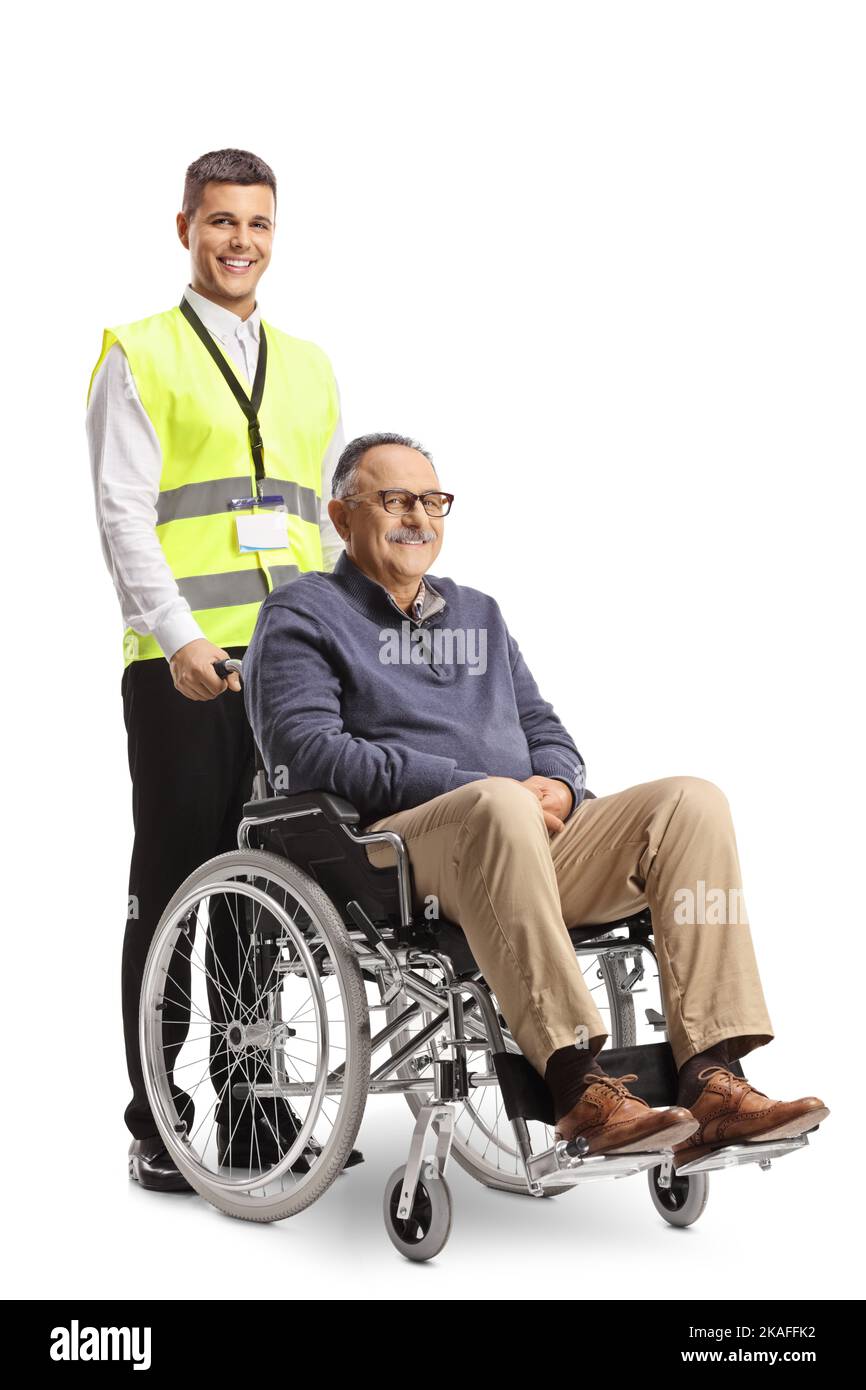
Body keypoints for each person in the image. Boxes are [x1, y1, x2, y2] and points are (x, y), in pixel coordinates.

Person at [242, 431, 829, 1167]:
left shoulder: (478, 613)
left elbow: (544, 727)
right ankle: (579, 1086)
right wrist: (474, 786)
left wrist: (557, 783)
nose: (417, 517)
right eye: (394, 500)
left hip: (526, 831)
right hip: (399, 855)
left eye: (431, 500)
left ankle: (712, 1078)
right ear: (341, 515)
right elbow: (308, 753)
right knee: (499, 806)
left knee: (691, 801)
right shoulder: (301, 613)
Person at [86, 147, 362, 1191]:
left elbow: (325, 523)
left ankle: (253, 1123)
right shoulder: (138, 353)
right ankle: (159, 1121)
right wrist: (176, 635)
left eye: (256, 224)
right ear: (184, 229)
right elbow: (123, 512)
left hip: (288, 672)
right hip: (182, 667)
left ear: (273, 233)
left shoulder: (309, 365)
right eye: (220, 223)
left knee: (268, 898)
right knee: (173, 889)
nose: (239, 242)